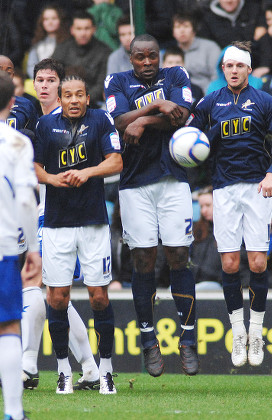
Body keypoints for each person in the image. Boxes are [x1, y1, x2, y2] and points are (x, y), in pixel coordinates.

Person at [189, 41, 272, 367]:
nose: (234, 70)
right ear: (223, 69)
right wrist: (201, 141)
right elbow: (187, 136)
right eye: (229, 65)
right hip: (224, 190)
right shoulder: (210, 101)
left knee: (258, 263)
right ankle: (237, 332)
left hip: (257, 188)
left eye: (239, 66)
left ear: (248, 69)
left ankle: (256, 332)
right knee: (230, 264)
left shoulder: (264, 101)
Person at [104, 34, 199, 377]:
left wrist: (141, 119)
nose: (147, 62)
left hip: (173, 179)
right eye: (140, 57)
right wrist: (154, 108)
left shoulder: (176, 75)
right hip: (134, 183)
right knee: (143, 259)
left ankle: (188, 339)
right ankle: (148, 339)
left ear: (159, 56)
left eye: (152, 56)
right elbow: (117, 123)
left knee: (178, 255)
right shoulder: (116, 80)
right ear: (130, 58)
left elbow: (182, 115)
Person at [34, 74, 123, 394]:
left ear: (88, 98)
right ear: (59, 99)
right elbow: (35, 167)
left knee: (99, 296)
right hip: (57, 224)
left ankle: (107, 369)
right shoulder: (46, 126)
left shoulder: (101, 120)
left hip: (93, 223)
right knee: (57, 297)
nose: (73, 100)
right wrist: (53, 180)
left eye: (79, 95)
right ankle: (63, 371)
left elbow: (115, 161)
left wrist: (86, 172)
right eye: (67, 95)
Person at [0, 70, 41, 420]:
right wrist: (33, 249)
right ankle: (14, 412)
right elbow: (28, 201)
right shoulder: (17, 143)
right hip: (3, 246)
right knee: (8, 327)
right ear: (12, 103)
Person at [197, 0, 272, 78]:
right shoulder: (208, 19)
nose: (229, 1)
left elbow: (265, 40)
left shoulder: (254, 10)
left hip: (255, 70)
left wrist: (265, 65)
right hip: (224, 74)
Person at [52, 10, 112, 108]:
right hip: (63, 102)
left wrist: (82, 99)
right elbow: (53, 76)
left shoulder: (104, 52)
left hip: (93, 104)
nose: (83, 33)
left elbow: (102, 84)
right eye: (79, 28)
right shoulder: (62, 49)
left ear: (94, 29)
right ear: (72, 30)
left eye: (87, 28)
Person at [172, 12, 221, 94]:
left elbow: (217, 77)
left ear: (194, 30)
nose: (182, 30)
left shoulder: (210, 48)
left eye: (186, 26)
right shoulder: (169, 51)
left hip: (206, 97)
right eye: (178, 27)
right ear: (173, 32)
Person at [190, 186, 222, 290]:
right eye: (201, 206)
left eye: (208, 205)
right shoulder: (197, 230)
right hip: (194, 281)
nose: (204, 210)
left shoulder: (230, 230)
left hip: (216, 284)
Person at [26, 4, 70, 79]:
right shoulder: (37, 43)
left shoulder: (68, 43)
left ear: (61, 20)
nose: (50, 22)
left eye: (54, 18)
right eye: (46, 19)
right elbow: (31, 66)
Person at [0, 55, 38, 133]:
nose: (3, 76)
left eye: (8, 73)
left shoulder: (25, 105)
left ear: (13, 76)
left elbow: (34, 138)